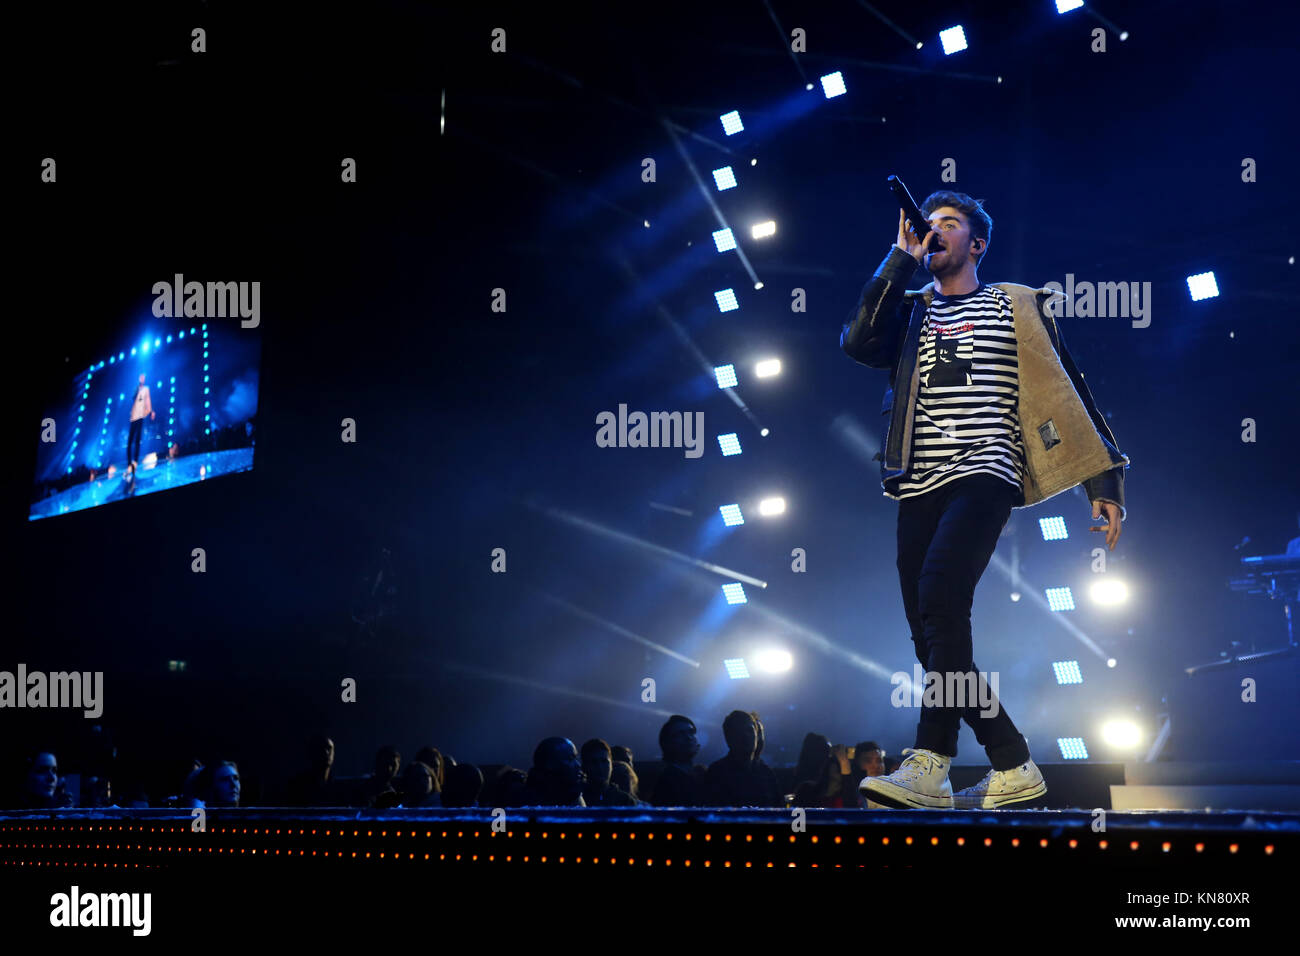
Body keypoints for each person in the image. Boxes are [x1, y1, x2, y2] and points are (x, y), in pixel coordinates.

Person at [841, 191, 1128, 810]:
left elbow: (1071, 389)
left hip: (985, 470)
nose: (934, 231)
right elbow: (858, 343)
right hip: (917, 481)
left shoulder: (1012, 303)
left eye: (950, 225)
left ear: (978, 244)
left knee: (942, 599)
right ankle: (1011, 761)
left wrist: (1103, 483)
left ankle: (929, 761)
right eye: (928, 225)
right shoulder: (910, 310)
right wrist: (897, 261)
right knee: (930, 634)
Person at [650, 715, 705, 807]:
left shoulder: (702, 775)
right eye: (680, 734)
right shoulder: (665, 782)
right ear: (667, 743)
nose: (689, 737)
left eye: (691, 732)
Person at [126, 373, 155, 473]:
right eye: (141, 377)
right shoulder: (136, 388)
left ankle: (135, 462)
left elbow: (148, 400)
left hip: (141, 415)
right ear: (139, 379)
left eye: (144, 378)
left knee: (137, 440)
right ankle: (129, 463)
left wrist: (151, 411)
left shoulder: (147, 388)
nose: (142, 379)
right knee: (129, 441)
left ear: (145, 379)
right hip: (133, 416)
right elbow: (132, 398)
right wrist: (137, 389)